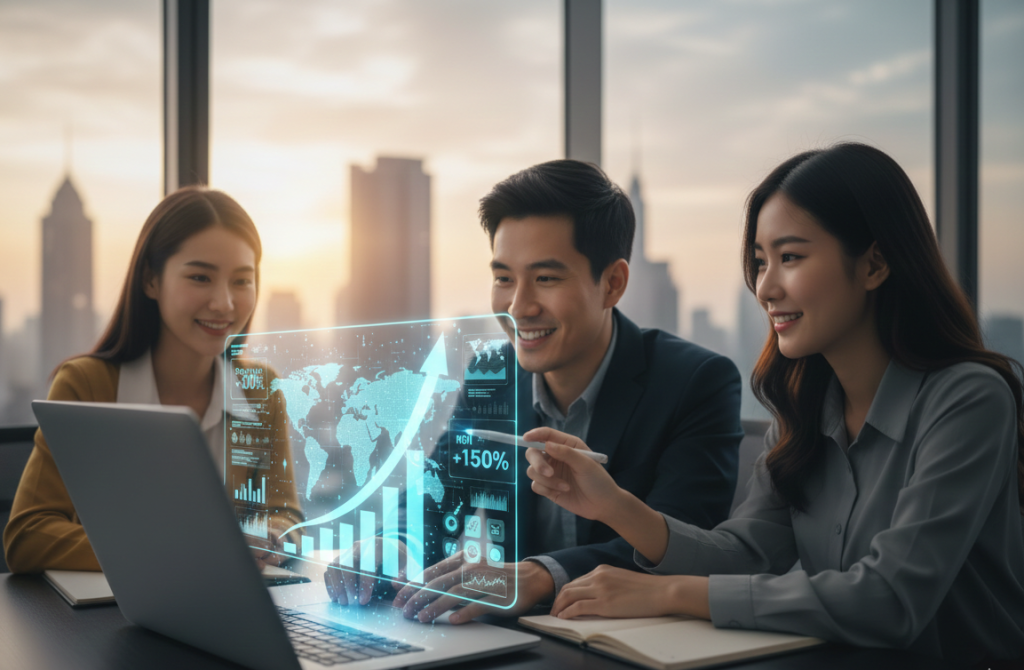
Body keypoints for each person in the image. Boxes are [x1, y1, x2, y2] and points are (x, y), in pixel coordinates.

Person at [522, 144, 1024, 665]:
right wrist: (613, 504)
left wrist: (669, 592)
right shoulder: (804, 410)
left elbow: (889, 598)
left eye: (790, 258)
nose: (765, 287)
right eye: (761, 262)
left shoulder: (968, 399)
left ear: (874, 264)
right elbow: (745, 554)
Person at [326, 159, 744, 624]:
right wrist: (394, 543)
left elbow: (686, 545)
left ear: (613, 284)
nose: (518, 306)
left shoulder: (696, 382)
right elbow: (438, 488)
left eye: (545, 279)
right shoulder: (493, 375)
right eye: (504, 278)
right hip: (514, 637)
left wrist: (546, 574)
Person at [3, 186, 302, 573]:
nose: (224, 303)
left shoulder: (261, 389)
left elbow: (286, 515)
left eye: (242, 281)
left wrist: (272, 537)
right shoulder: (86, 385)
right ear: (150, 280)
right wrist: (184, 549)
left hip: (229, 603)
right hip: (109, 609)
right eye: (200, 277)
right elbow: (28, 536)